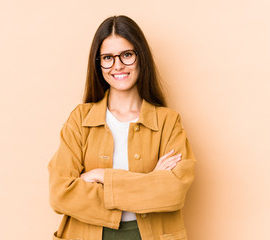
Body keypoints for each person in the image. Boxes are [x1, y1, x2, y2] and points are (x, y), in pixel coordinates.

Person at [48, 15, 196, 240]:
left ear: (140, 57)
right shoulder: (79, 120)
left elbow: (173, 192)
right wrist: (150, 182)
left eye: (127, 55)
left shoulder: (168, 122)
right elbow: (60, 193)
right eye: (108, 57)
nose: (117, 65)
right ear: (98, 64)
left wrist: (102, 176)